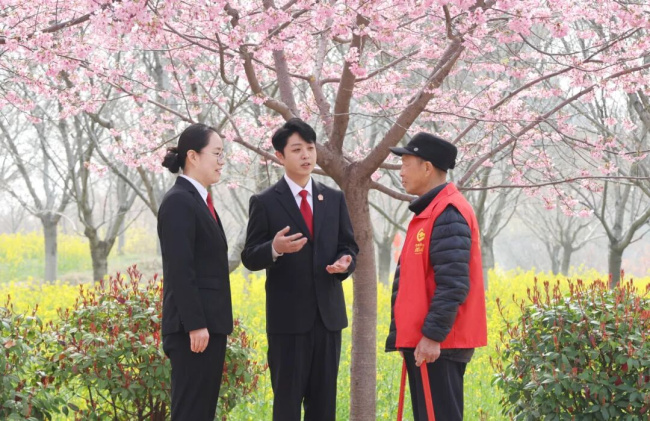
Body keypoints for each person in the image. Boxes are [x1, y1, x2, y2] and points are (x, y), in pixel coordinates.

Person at [241, 118, 359, 421]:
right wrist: (275, 248)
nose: (306, 155)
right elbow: (250, 256)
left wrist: (345, 262)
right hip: (288, 323)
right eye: (296, 149)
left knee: (324, 407)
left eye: (310, 148)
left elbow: (348, 245)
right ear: (280, 156)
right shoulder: (265, 202)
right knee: (287, 406)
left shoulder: (333, 198)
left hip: (328, 320)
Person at [385, 132, 487, 420]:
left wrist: (432, 336)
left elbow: (453, 283)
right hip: (427, 342)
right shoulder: (430, 211)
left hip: (440, 344)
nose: (401, 172)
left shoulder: (448, 213)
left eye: (406, 164)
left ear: (427, 167)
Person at [158, 123, 233, 421]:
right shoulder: (179, 201)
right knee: (190, 412)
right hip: (193, 331)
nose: (222, 161)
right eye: (216, 153)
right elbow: (180, 268)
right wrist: (195, 324)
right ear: (192, 156)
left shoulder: (198, 200)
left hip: (209, 327)